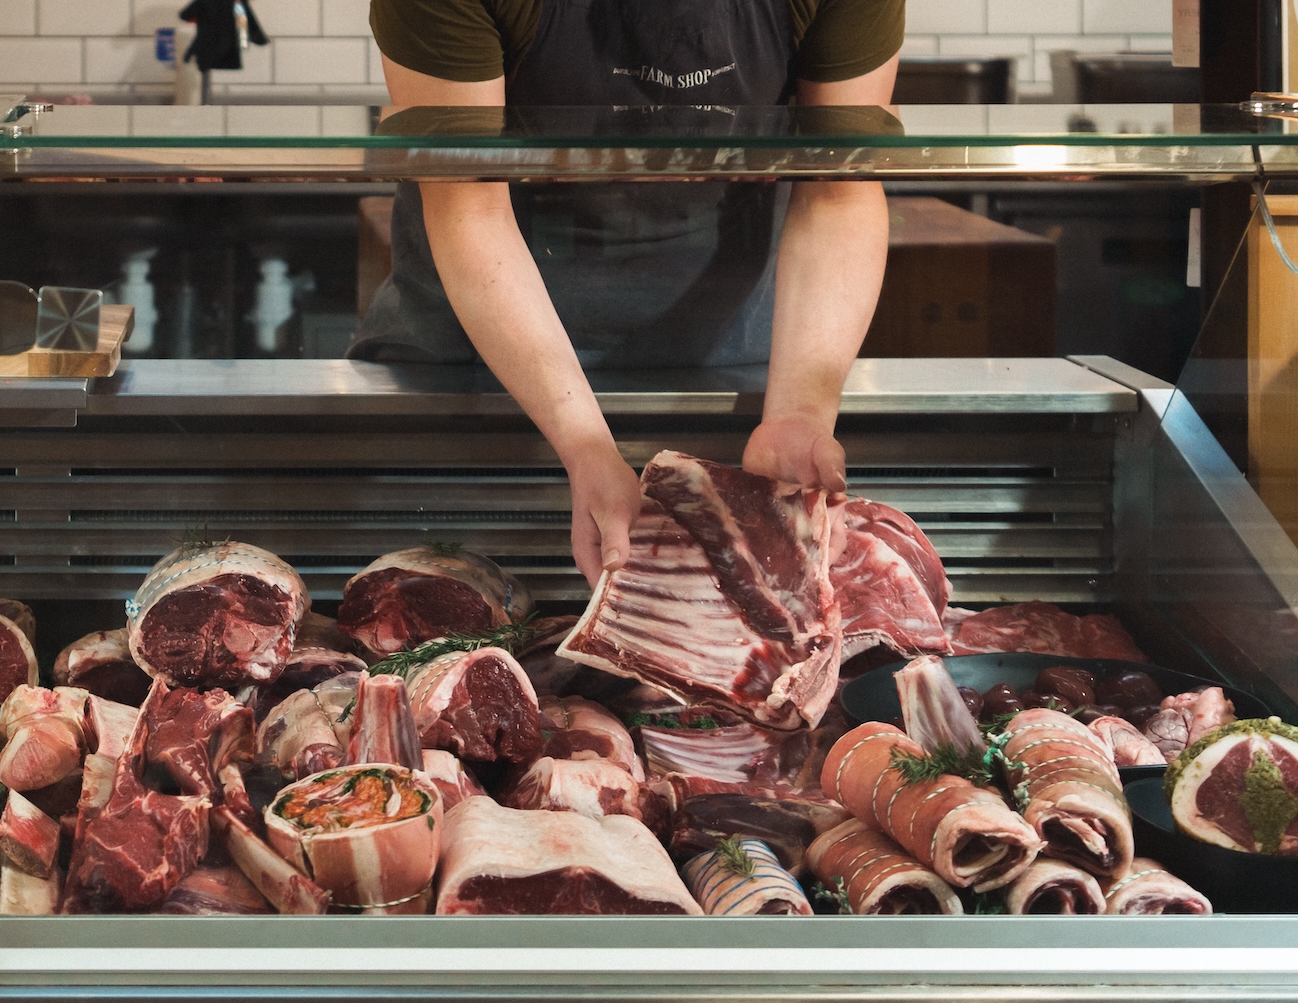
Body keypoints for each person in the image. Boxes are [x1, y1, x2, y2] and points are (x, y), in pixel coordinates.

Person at [350, 0, 903, 587]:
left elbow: (839, 190)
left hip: (731, 372)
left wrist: (799, 408)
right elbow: (469, 207)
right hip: (474, 372)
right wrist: (584, 443)